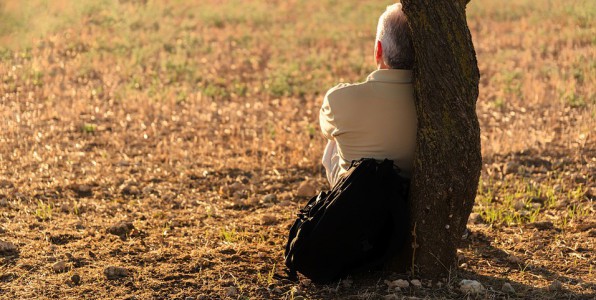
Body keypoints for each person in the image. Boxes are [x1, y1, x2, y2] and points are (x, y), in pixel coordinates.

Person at [320, 3, 417, 187]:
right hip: (408, 200)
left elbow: (325, 130)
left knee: (334, 141)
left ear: (378, 50)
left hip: (355, 201)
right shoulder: (433, 103)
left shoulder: (338, 99)